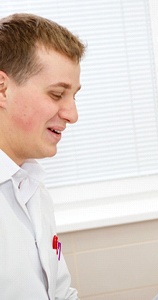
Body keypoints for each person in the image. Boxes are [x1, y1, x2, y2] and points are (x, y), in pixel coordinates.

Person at [0, 13, 85, 299]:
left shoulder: (31, 186)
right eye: (56, 94)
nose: (72, 115)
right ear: (2, 89)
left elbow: (59, 292)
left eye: (74, 96)